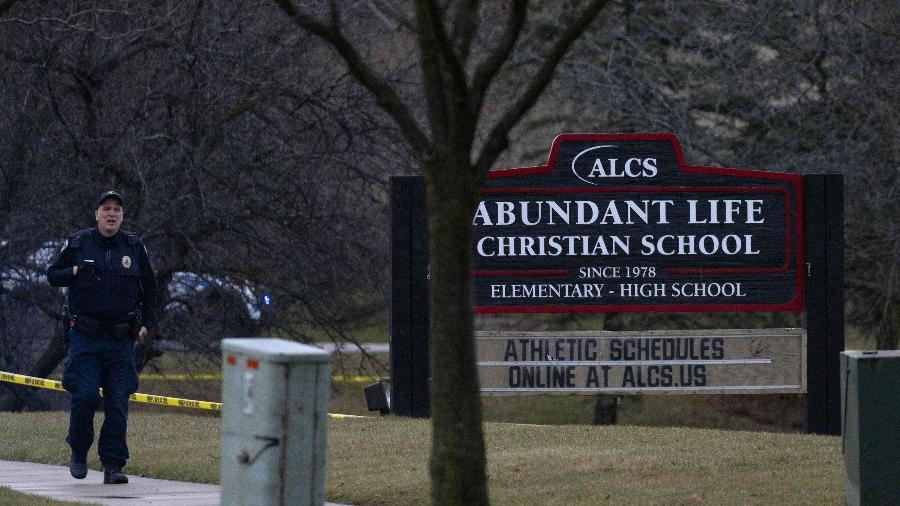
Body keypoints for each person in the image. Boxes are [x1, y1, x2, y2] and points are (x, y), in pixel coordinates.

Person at [47, 190, 157, 484]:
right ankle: (79, 452)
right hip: (86, 337)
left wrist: (149, 323)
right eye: (106, 209)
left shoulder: (134, 247)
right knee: (84, 397)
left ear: (122, 216)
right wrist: (73, 270)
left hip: (121, 340)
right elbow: (52, 274)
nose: (111, 214)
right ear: (96, 214)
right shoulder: (79, 243)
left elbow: (151, 288)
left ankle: (113, 464)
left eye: (117, 210)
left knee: (118, 403)